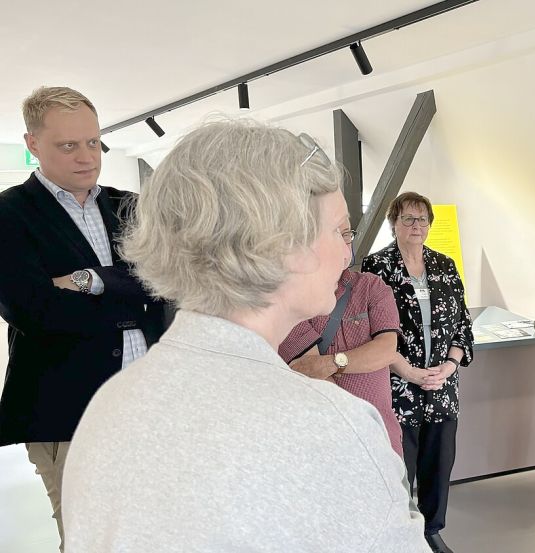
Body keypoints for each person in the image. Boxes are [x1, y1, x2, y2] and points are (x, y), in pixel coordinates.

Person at [59, 121, 429, 552]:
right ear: (282, 244)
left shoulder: (111, 404)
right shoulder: (329, 425)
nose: (347, 252)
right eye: (339, 231)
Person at [0, 86, 166, 551]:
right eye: (68, 145)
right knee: (91, 540)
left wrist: (89, 281)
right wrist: (131, 293)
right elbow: (35, 310)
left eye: (93, 142)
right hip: (68, 412)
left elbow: (168, 286)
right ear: (32, 144)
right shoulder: (9, 215)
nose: (86, 157)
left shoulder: (132, 205)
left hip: (148, 405)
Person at [361, 191, 474, 553]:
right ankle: (397, 533)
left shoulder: (445, 266)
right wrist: (408, 371)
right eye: (408, 218)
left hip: (442, 385)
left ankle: (431, 530)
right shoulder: (376, 269)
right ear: (393, 223)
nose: (416, 226)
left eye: (422, 219)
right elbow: (370, 332)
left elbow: (463, 326)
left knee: (438, 464)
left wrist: (451, 364)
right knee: (398, 466)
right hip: (398, 386)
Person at [278, 262, 404, 456]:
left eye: (348, 235)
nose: (346, 247)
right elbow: (310, 371)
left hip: (384, 441)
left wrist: (332, 363)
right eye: (337, 233)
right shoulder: (288, 297)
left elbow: (386, 350)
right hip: (328, 446)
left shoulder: (371, 286)